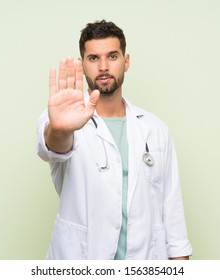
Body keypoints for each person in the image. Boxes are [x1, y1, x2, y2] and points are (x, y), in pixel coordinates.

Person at [37, 20, 192, 260]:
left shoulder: (155, 128)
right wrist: (59, 129)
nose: (103, 66)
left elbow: (171, 209)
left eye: (112, 56)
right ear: (82, 65)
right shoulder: (62, 120)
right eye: (93, 58)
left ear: (126, 61)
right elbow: (54, 147)